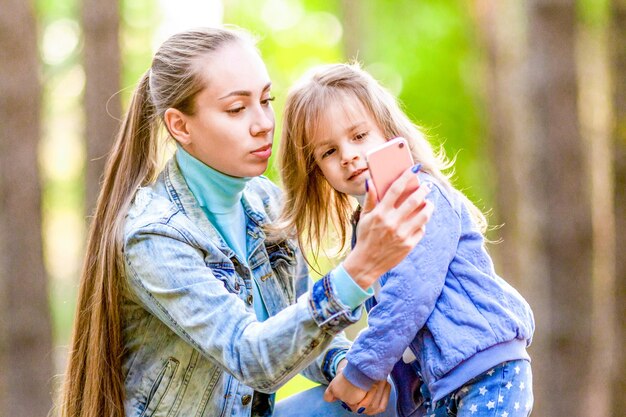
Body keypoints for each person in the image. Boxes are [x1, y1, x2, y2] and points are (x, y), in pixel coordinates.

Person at [59, 28, 434, 417]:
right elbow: (252, 357)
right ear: (180, 126)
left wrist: (344, 365)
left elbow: (299, 328)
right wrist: (362, 268)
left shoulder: (266, 203)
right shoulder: (155, 235)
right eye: (237, 109)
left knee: (390, 395)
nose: (263, 123)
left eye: (266, 100)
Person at [278, 62, 535, 417]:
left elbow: (410, 296)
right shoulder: (367, 226)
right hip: (444, 382)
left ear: (387, 131)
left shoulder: (420, 198)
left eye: (358, 136)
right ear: (317, 169)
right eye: (329, 152)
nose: (348, 155)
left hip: (487, 371)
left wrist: (361, 371)